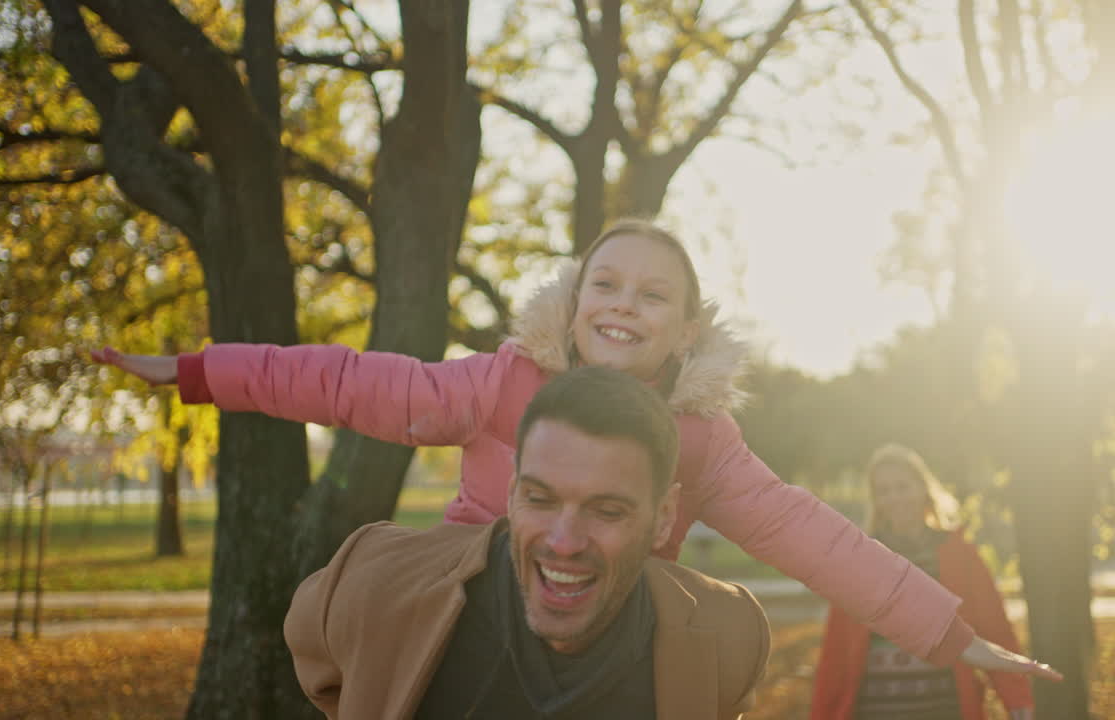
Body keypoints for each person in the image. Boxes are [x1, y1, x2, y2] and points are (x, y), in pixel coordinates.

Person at [93, 218, 1061, 680]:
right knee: (369, 585)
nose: (622, 306)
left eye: (650, 296)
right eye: (605, 285)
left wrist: (950, 631)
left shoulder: (702, 442)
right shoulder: (498, 381)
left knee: (709, 622)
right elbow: (351, 383)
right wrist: (197, 371)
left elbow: (808, 534)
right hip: (478, 590)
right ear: (572, 300)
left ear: (684, 332)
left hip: (608, 615)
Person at [284, 366, 771, 719]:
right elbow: (322, 673)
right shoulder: (371, 584)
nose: (564, 542)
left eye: (607, 511)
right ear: (513, 491)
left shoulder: (729, 636)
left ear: (663, 517)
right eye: (540, 498)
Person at [809, 444, 1034, 720]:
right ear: (876, 500)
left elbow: (995, 630)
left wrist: (1017, 698)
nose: (895, 497)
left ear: (923, 488)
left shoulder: (960, 554)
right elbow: (837, 652)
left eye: (903, 486)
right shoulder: (860, 559)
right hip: (875, 711)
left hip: (945, 708)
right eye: (884, 491)